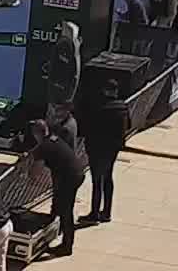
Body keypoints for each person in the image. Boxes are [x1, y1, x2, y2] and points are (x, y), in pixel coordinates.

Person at [30, 119, 84, 258]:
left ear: (36, 134)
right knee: (58, 203)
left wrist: (30, 172)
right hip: (76, 173)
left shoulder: (43, 147)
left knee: (66, 211)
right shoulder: (54, 138)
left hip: (69, 179)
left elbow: (35, 172)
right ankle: (54, 229)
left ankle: (67, 246)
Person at [82, 78, 129, 226]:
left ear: (105, 91)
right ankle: (106, 212)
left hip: (97, 148)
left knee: (97, 180)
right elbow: (128, 125)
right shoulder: (123, 107)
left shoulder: (99, 107)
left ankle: (94, 213)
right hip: (113, 148)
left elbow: (90, 128)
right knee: (108, 177)